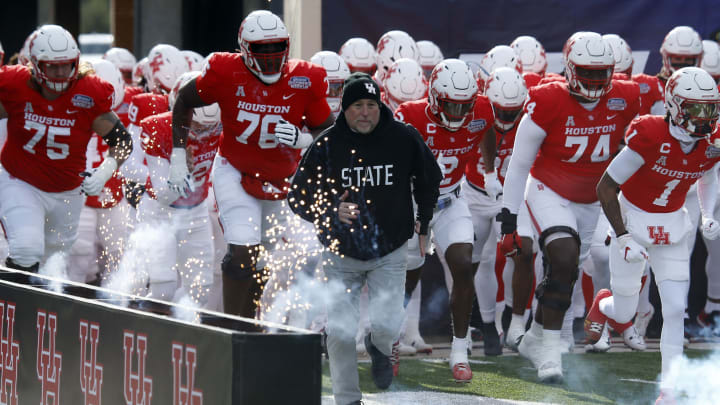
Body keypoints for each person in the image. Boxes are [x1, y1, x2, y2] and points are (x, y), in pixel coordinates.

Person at [169, 10, 334, 319]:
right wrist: (179, 155)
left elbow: (327, 131)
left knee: (259, 263)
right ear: (244, 50)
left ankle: (248, 326)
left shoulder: (304, 78)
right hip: (235, 169)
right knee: (241, 254)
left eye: (277, 48)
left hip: (281, 180)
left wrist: (303, 140)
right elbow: (184, 101)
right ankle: (232, 331)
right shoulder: (224, 71)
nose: (271, 57)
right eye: (262, 49)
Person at [288, 72, 441, 405]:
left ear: (379, 106)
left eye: (371, 104)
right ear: (344, 108)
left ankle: (378, 346)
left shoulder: (403, 137)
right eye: (357, 105)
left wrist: (424, 222)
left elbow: (430, 179)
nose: (365, 112)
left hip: (388, 249)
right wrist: (330, 211)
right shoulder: (326, 144)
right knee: (342, 333)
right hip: (340, 254)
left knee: (388, 326)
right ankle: (347, 399)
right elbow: (297, 196)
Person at [498, 32, 640, 383]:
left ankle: (532, 338)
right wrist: (509, 219)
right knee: (562, 258)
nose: (594, 81)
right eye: (587, 73)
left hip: (593, 199)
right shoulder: (549, 99)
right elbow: (518, 164)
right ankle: (550, 354)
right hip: (549, 189)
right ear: (570, 69)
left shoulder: (627, 96)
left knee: (565, 273)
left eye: (601, 73)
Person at [586, 67, 720, 404]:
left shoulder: (712, 142)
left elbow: (707, 175)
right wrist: (622, 237)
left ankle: (669, 391)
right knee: (623, 312)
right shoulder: (648, 133)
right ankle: (603, 305)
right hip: (633, 222)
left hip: (673, 225)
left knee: (675, 310)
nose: (704, 117)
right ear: (674, 105)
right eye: (695, 108)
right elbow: (605, 186)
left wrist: (707, 212)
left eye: (710, 108)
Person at [0, 24, 133, 273]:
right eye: (53, 65)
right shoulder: (14, 84)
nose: (61, 72)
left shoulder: (89, 92)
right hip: (20, 181)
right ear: (37, 64)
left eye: (66, 64)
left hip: (68, 191)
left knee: (54, 266)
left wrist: (104, 172)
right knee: (27, 250)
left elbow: (123, 141)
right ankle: (13, 310)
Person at [395, 58, 497, 381]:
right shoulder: (408, 116)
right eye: (451, 107)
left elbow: (487, 130)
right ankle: (391, 341)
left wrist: (489, 169)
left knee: (464, 264)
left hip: (452, 198)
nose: (458, 115)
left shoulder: (481, 110)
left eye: (463, 106)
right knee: (409, 276)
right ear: (434, 98)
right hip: (412, 202)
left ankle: (459, 350)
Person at [137, 71, 222, 306]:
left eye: (210, 127)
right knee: (162, 289)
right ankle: (147, 327)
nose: (204, 134)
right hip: (159, 212)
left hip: (196, 211)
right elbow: (164, 195)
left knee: (200, 289)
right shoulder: (157, 128)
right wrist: (181, 170)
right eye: (198, 126)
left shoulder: (222, 128)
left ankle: (182, 334)